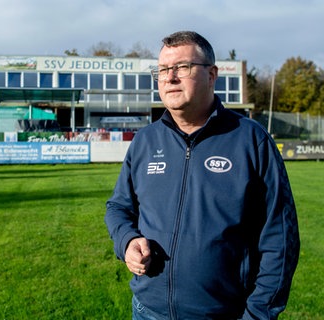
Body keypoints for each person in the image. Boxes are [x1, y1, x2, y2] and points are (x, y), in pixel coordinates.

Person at [104, 31, 300, 319]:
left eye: (182, 67)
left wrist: (257, 314)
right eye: (162, 70)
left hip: (224, 313)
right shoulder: (145, 141)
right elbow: (119, 207)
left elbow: (280, 240)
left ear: (211, 75)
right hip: (148, 311)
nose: (170, 78)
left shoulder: (250, 140)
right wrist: (127, 241)